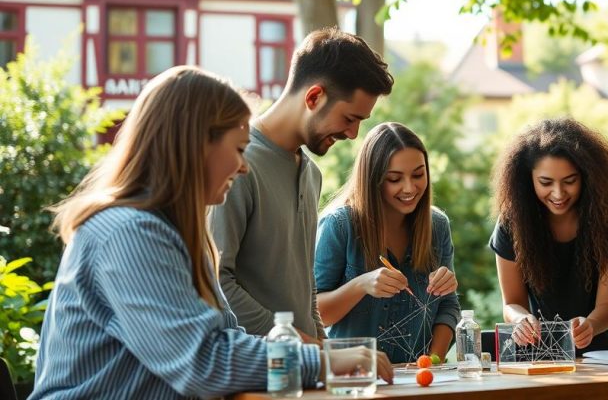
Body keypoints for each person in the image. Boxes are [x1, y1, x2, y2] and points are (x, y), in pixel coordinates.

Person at [30, 66, 393, 400]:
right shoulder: (129, 232)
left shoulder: (175, 234)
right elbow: (202, 361)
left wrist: (322, 352)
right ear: (196, 145)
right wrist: (325, 363)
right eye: (237, 150)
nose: (243, 167)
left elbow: (226, 340)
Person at [210, 27, 393, 342]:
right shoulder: (236, 165)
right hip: (255, 377)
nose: (353, 135)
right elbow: (217, 283)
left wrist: (322, 350)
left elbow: (305, 286)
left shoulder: (311, 174)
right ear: (314, 96)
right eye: (350, 119)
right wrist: (301, 343)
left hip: (305, 374)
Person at [314, 122, 460, 363]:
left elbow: (448, 306)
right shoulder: (339, 225)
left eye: (418, 174)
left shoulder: (437, 226)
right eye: (394, 179)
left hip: (420, 381)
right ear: (373, 180)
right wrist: (361, 284)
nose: (409, 188)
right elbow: (315, 315)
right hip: (356, 379)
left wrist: (432, 361)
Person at [489, 118, 608, 355]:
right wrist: (521, 320)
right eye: (545, 182)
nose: (558, 193)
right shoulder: (512, 222)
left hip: (607, 353)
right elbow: (512, 303)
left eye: (570, 181)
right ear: (528, 179)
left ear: (586, 176)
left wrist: (591, 325)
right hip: (545, 354)